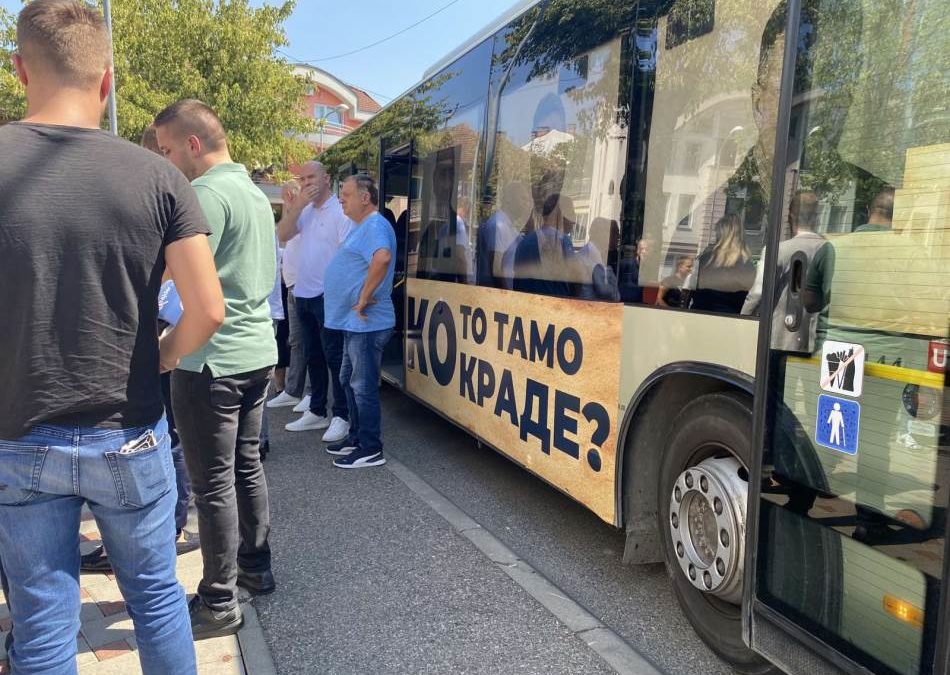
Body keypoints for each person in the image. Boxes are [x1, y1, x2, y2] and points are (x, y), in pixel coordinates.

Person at [0, 2, 224, 671]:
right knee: (156, 598)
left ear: (18, 71)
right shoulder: (159, 177)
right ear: (108, 81)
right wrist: (161, 356)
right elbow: (208, 308)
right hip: (128, 428)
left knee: (42, 619)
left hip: (18, 431)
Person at [153, 98, 277, 639]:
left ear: (193, 144)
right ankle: (256, 568)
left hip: (211, 360)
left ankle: (218, 600)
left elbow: (190, 289)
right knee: (246, 467)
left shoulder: (201, 194)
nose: (166, 162)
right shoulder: (252, 192)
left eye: (167, 150)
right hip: (256, 353)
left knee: (213, 484)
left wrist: (168, 349)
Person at [80, 125, 202, 573]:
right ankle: (159, 533)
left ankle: (170, 527)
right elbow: (206, 306)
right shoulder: (165, 190)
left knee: (41, 604)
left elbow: (206, 305)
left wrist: (165, 353)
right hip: (134, 376)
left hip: (143, 358)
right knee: (153, 588)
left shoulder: (172, 193)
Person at [323, 175, 397, 468]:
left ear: (365, 198)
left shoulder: (374, 224)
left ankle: (370, 447)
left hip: (367, 323)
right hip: (355, 324)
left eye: (346, 193)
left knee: (362, 386)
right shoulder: (362, 226)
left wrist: (364, 296)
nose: (341, 198)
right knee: (348, 381)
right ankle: (356, 437)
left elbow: (382, 258)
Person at [277, 161, 352, 442]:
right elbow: (283, 234)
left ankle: (341, 415)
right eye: (303, 178)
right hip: (303, 294)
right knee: (313, 356)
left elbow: (348, 256)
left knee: (335, 358)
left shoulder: (340, 212)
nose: (307, 182)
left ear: (327, 178)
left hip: (329, 296)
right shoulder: (305, 211)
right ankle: (317, 409)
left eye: (312, 177)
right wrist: (295, 206)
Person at [742, 190, 825, 353]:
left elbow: (758, 293)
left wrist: (742, 320)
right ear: (817, 217)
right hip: (817, 342)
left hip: (781, 339)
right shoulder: (828, 249)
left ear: (790, 216)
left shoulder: (777, 251)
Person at [267, 179, 311, 411]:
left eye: (289, 196)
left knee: (310, 343)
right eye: (284, 197)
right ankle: (292, 390)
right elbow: (283, 236)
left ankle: (310, 395)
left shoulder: (306, 214)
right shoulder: (293, 215)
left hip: (306, 287)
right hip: (293, 286)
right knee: (296, 342)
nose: (287, 200)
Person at [689, 213, 756, 313]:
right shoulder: (747, 265)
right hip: (730, 319)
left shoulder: (703, 260)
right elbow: (751, 299)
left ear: (719, 234)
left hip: (699, 314)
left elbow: (691, 288)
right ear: (740, 235)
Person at [476, 181, 532, 289]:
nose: (527, 204)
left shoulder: (509, 227)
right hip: (499, 298)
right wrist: (506, 296)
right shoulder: (498, 225)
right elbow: (496, 269)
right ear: (509, 200)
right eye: (523, 199)